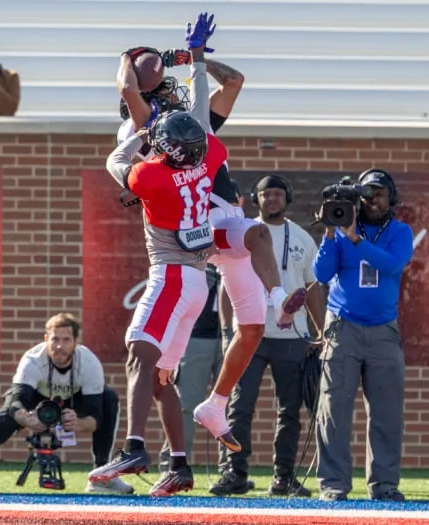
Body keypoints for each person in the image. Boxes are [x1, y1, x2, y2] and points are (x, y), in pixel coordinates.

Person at [116, 29, 307, 455]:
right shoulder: (152, 132)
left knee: (253, 326)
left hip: (218, 228)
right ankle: (154, 446)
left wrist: (191, 59)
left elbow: (230, 83)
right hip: (196, 232)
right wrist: (140, 59)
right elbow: (131, 97)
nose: (171, 97)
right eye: (162, 91)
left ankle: (214, 406)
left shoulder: (193, 130)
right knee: (158, 361)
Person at [87, 13, 223, 497]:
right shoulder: (207, 157)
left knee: (138, 356)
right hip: (198, 282)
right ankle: (181, 464)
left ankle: (134, 446)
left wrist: (144, 133)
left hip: (171, 274)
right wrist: (198, 61)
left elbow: (117, 162)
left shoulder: (152, 176)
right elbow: (203, 118)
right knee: (162, 374)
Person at [0, 313, 133, 495]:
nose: (60, 346)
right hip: (38, 396)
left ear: (76, 342)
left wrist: (78, 424)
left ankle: (101, 476)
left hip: (75, 400)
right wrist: (24, 417)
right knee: (6, 414)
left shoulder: (88, 362)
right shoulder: (33, 359)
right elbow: (15, 400)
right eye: (55, 339)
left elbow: (96, 416)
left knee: (109, 399)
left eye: (66, 340)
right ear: (46, 339)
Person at [209, 175, 325, 497]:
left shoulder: (302, 237)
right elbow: (225, 286)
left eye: (277, 194)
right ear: (255, 199)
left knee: (289, 410)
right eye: (265, 194)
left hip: (292, 336)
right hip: (249, 335)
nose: (271, 199)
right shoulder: (244, 233)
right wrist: (225, 331)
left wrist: (320, 331)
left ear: (287, 197)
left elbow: (313, 288)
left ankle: (283, 477)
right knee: (239, 406)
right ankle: (234, 473)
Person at [312, 168, 413, 502]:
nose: (372, 200)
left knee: (386, 414)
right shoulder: (341, 229)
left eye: (379, 194)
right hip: (342, 327)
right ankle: (333, 485)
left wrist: (356, 240)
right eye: (366, 194)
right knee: (334, 410)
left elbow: (391, 265)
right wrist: (330, 232)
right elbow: (322, 273)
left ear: (391, 198)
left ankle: (384, 486)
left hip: (384, 330)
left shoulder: (400, 232)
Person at [157, 263, 222, 471]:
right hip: (195, 337)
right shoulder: (197, 249)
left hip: (233, 337)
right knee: (186, 403)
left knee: (229, 407)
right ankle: (173, 463)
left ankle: (231, 471)